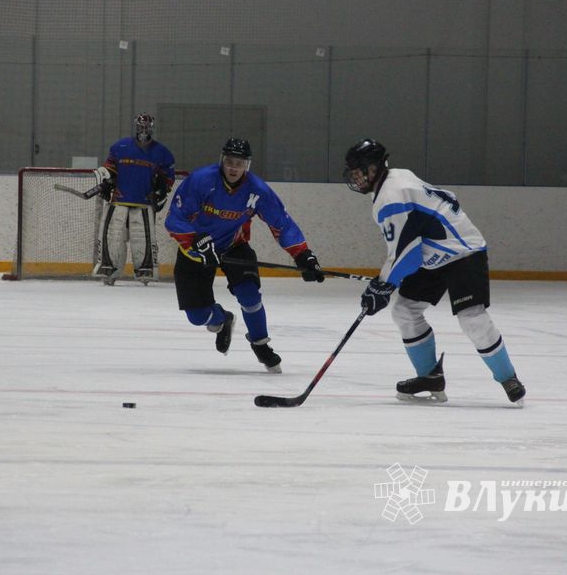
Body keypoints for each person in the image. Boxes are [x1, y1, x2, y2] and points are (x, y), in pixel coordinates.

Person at [342, 138, 524, 404]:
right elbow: (409, 249)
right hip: (433, 255)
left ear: (374, 168)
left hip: (463, 253)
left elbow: (407, 254)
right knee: (405, 311)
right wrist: (384, 283)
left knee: (471, 317)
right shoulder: (396, 178)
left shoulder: (390, 197)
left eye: (359, 171)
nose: (355, 178)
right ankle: (429, 377)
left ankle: (508, 377)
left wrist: (383, 284)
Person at [165, 137, 325, 372]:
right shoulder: (201, 180)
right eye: (229, 162)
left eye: (239, 163)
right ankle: (222, 320)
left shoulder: (257, 190)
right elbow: (175, 218)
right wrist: (195, 241)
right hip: (196, 252)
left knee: (249, 295)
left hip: (233, 247)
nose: (233, 168)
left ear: (247, 165)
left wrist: (303, 255)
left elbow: (282, 224)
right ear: (222, 161)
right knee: (198, 317)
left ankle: (261, 345)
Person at [94, 113, 176, 285]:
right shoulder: (120, 146)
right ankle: (110, 270)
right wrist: (106, 183)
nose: (143, 129)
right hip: (119, 200)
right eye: (141, 126)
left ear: (152, 127)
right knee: (114, 237)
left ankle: (145, 272)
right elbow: (110, 169)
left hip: (143, 202)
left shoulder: (162, 152)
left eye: (146, 126)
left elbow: (168, 176)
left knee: (143, 238)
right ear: (136, 127)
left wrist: (161, 191)